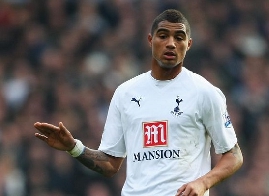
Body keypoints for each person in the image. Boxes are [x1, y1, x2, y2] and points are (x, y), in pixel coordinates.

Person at [34, 9, 243, 196]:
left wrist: (202, 183)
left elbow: (234, 156)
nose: (171, 43)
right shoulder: (126, 93)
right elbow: (110, 163)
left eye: (179, 37)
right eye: (163, 36)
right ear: (150, 40)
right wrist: (74, 147)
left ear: (188, 44)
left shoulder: (205, 92)